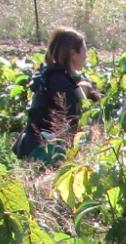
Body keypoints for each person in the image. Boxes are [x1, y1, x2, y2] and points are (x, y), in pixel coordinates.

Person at [14, 26, 94, 163]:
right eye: (84, 51)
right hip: (42, 151)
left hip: (30, 145)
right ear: (73, 53)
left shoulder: (52, 75)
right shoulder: (60, 83)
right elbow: (69, 126)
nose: (87, 55)